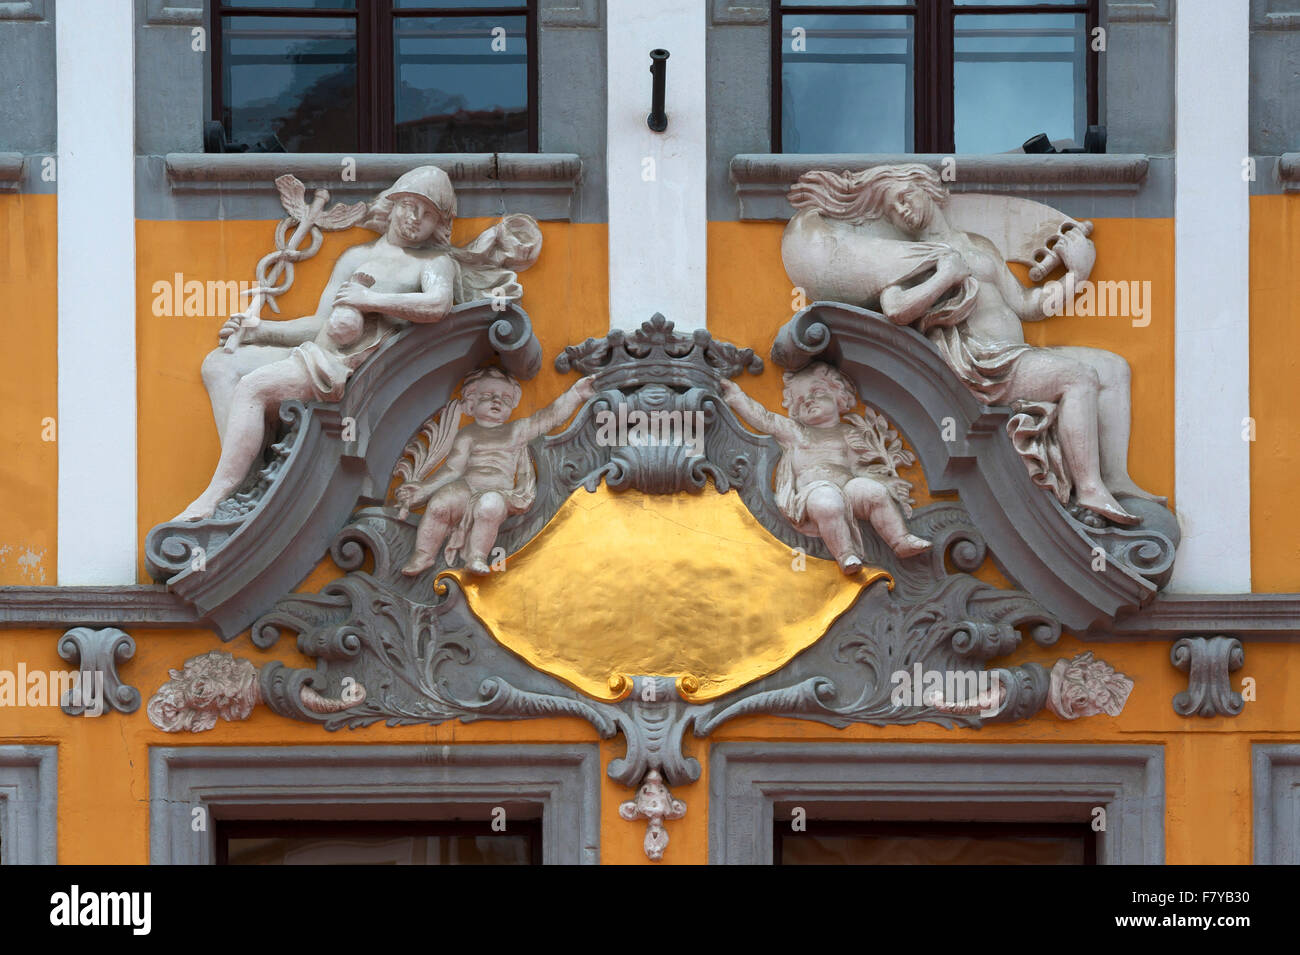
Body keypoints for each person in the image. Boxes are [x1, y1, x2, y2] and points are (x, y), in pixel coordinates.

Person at [784, 163, 1162, 526]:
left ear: (927, 188)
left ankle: (1116, 479)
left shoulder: (978, 244)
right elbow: (896, 309)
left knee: (1113, 367)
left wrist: (1078, 272)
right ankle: (1090, 489)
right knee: (1076, 377)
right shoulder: (909, 258)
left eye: (903, 196)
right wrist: (943, 275)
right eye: (892, 211)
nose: (901, 210)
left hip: (1018, 355)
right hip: (983, 363)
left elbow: (1027, 306)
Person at [176, 165, 541, 522]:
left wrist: (369, 300)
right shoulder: (356, 257)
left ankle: (217, 494)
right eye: (409, 205)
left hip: (343, 368)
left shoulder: (433, 262)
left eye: (428, 214)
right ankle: (248, 470)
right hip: (317, 352)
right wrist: (260, 331)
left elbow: (437, 304)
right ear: (393, 204)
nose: (414, 218)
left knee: (254, 388)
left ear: (439, 226)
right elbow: (319, 324)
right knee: (219, 364)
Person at [721, 363, 930, 573]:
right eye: (800, 401)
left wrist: (886, 482)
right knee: (828, 503)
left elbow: (861, 469)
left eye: (817, 393)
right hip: (813, 490)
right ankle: (846, 554)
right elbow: (765, 419)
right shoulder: (795, 432)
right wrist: (736, 396)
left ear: (839, 396)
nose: (809, 401)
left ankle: (900, 540)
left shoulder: (848, 433)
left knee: (874, 493)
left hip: (848, 486)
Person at [396, 367, 596, 576]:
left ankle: (477, 557)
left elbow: (547, 418)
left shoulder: (516, 430)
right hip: (467, 487)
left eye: (505, 398)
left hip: (500, 491)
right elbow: (452, 470)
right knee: (440, 504)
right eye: (488, 396)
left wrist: (576, 394)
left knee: (489, 507)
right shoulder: (467, 435)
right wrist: (423, 491)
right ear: (471, 403)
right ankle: (423, 554)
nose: (497, 401)